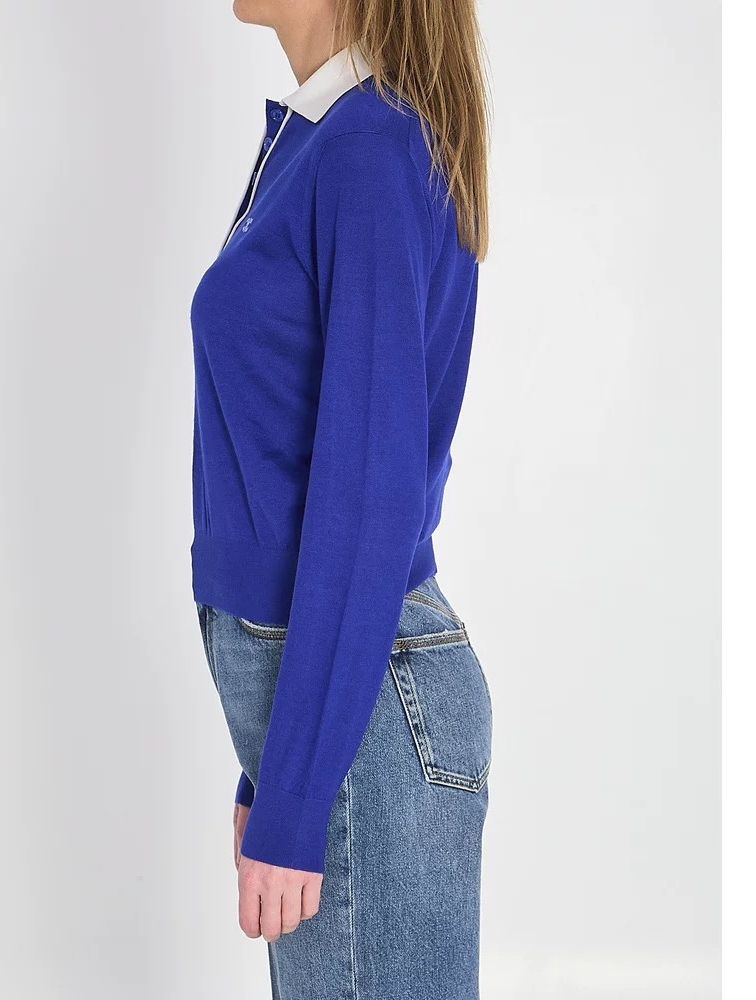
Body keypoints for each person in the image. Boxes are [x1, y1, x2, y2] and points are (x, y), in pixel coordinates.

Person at [190, 1, 492, 996]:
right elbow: (304, 464)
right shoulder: (323, 136)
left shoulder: (364, 150)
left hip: (366, 712)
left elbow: (367, 499)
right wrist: (273, 765)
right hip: (338, 704)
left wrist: (294, 793)